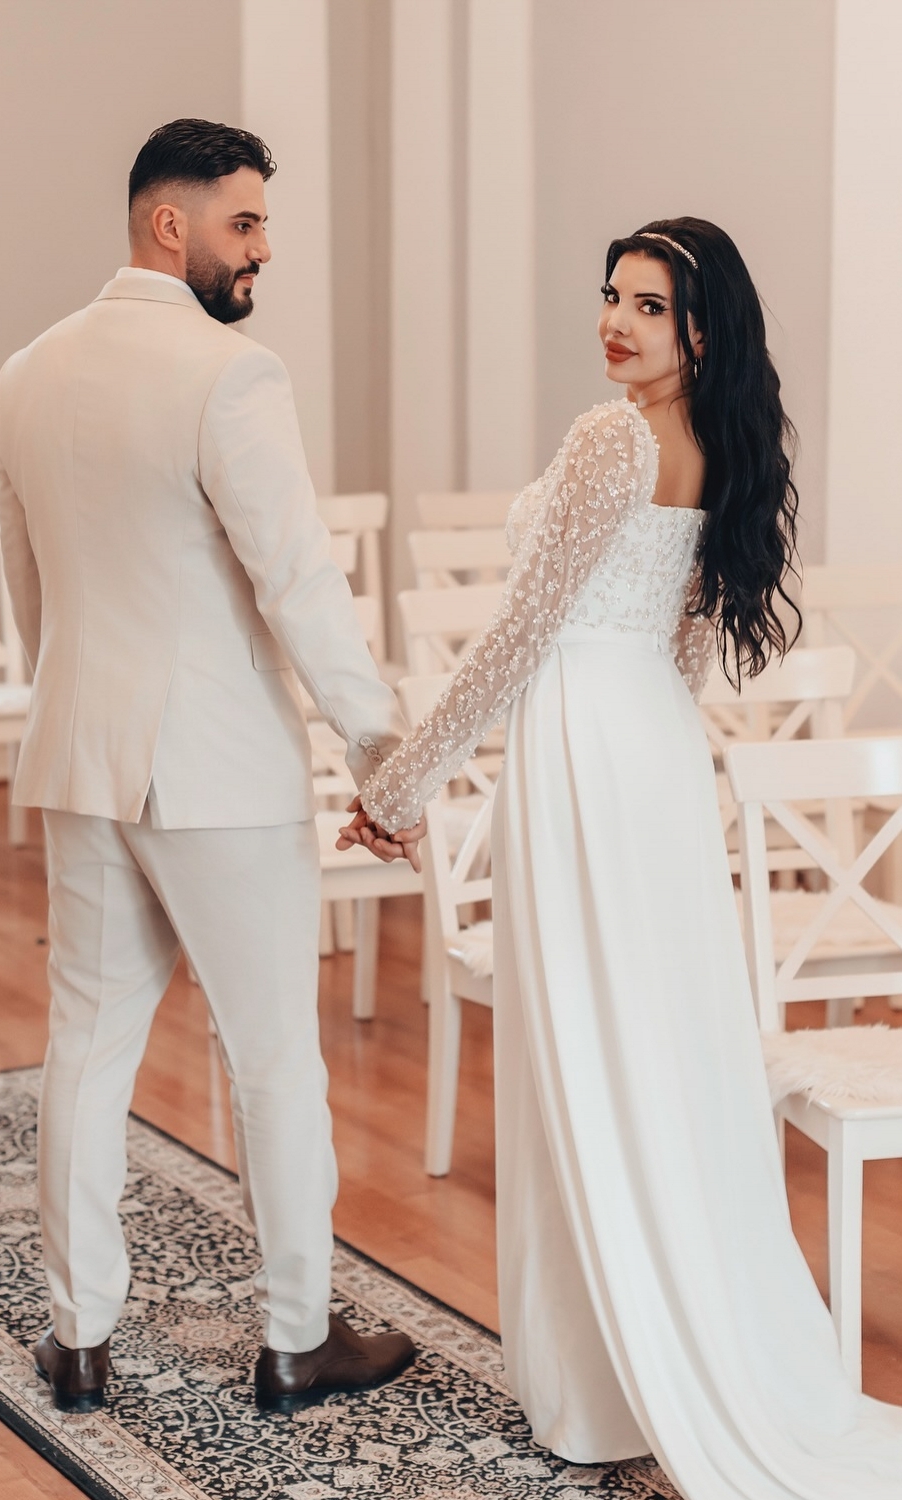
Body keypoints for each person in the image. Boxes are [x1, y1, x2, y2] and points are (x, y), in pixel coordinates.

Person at [340, 218, 902, 1495]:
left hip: (585, 745)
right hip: (646, 747)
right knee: (652, 1048)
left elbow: (516, 639)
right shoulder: (718, 444)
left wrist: (400, 785)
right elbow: (688, 649)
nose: (613, 320)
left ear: (698, 330)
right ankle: (663, 1344)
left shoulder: (611, 439)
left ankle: (601, 1388)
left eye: (646, 305)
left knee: (583, 1049)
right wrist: (636, 746)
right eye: (609, 295)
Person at [0, 118, 416, 1416]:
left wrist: (63, 705)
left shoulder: (27, 373)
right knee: (275, 1054)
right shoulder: (231, 376)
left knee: (86, 1044)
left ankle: (76, 1340)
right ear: (167, 224)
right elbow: (295, 580)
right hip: (218, 775)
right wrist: (378, 742)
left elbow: (30, 595)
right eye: (245, 223)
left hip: (78, 753)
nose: (262, 249)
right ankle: (297, 1338)